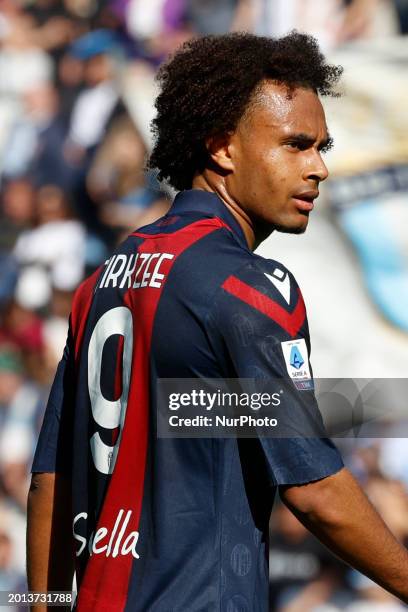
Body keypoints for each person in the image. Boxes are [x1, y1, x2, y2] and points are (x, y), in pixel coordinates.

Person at [27, 31, 408, 611]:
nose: (320, 169)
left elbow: (50, 479)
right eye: (297, 145)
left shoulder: (102, 280)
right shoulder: (249, 287)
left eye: (323, 147)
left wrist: (45, 605)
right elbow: (316, 492)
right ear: (223, 148)